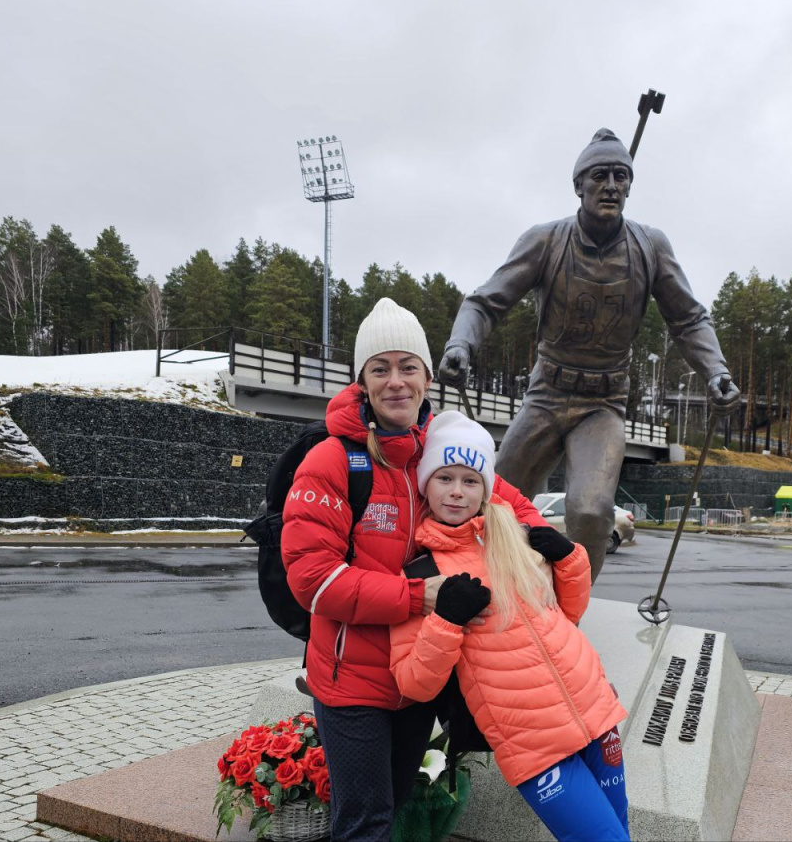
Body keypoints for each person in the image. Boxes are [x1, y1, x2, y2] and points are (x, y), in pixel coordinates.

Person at [281, 298, 547, 842]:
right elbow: (314, 580)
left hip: (417, 679)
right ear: (362, 381)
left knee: (395, 805)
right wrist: (418, 597)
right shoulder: (331, 460)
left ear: (427, 376)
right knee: (365, 825)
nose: (396, 382)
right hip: (349, 680)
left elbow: (506, 500)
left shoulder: (438, 448)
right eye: (380, 369)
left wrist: (542, 539)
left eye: (408, 367)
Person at [439, 127, 741, 580]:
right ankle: (488, 591)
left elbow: (689, 319)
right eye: (599, 175)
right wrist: (461, 343)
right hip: (547, 393)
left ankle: (570, 613)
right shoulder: (546, 241)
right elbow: (487, 301)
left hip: (603, 403)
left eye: (621, 176)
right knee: (494, 498)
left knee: (592, 510)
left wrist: (716, 370)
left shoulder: (650, 247)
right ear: (578, 185)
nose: (612, 186)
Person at [391, 411, 631, 842]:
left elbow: (567, 616)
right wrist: (447, 620)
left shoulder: (515, 536)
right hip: (535, 746)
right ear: (426, 483)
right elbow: (414, 684)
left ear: (485, 486)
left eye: (470, 480)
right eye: (445, 478)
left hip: (595, 710)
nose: (457, 492)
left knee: (620, 833)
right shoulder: (421, 571)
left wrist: (570, 559)